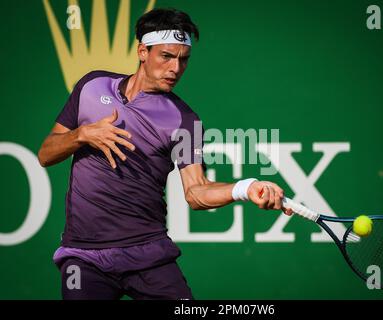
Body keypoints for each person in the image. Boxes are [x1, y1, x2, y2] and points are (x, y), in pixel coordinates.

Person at [38, 8, 292, 300]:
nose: (176, 69)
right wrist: (82, 134)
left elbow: (196, 191)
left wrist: (245, 188)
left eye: (184, 59)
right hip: (84, 257)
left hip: (149, 256)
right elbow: (46, 153)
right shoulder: (91, 87)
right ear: (142, 51)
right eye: (167, 56)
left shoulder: (184, 120)